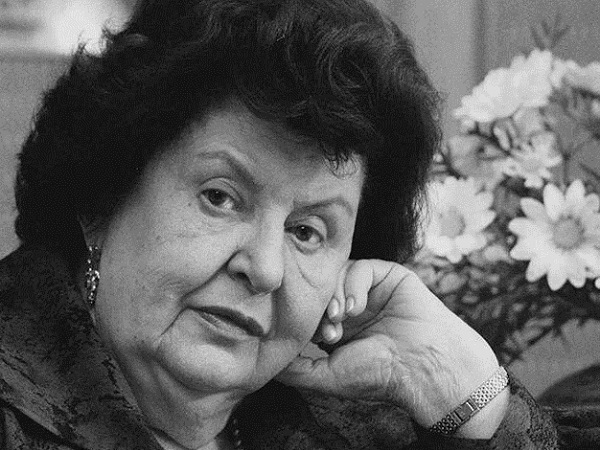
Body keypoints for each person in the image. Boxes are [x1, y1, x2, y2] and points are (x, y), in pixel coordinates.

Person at [0, 0, 589, 448]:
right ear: (101, 200)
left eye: (307, 231)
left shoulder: (354, 426)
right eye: (220, 198)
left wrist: (468, 395)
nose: (264, 269)